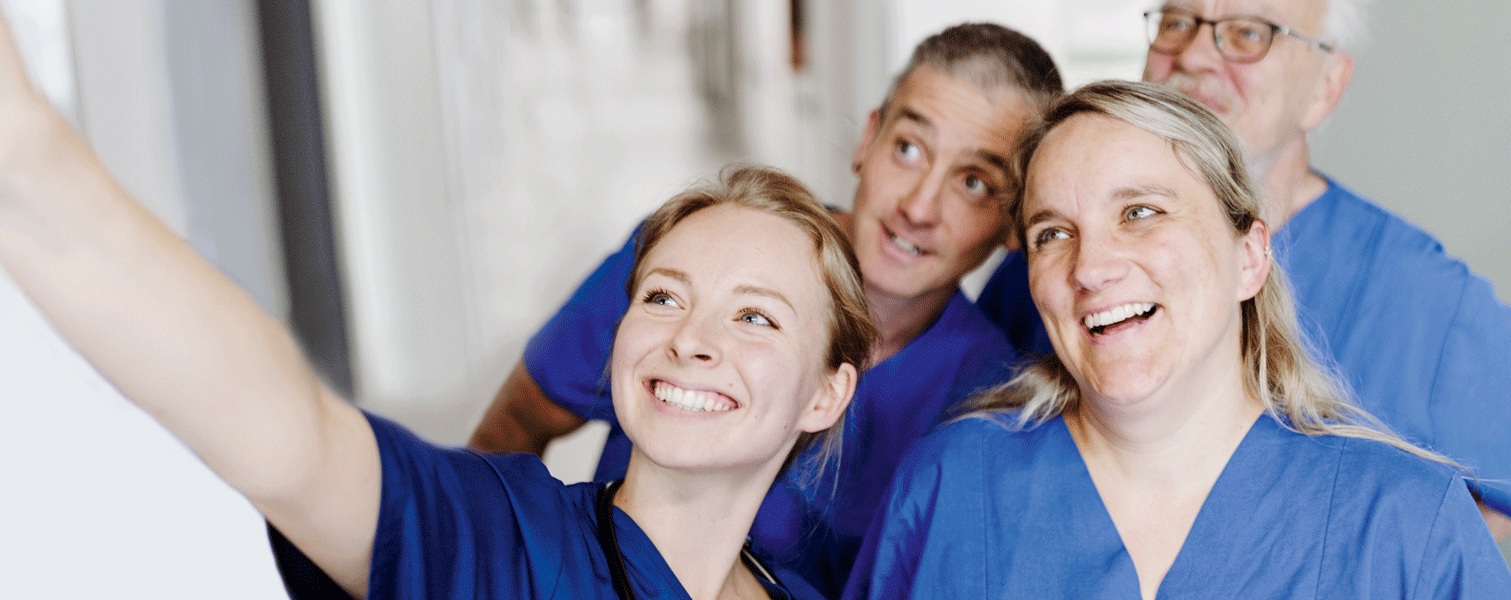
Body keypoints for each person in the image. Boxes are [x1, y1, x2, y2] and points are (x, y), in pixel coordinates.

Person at [0, 6, 888, 599]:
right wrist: (10, 151)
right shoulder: (499, 544)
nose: (691, 339)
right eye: (663, 296)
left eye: (756, 316)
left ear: (827, 394)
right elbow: (291, 438)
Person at [852, 80, 1511, 599]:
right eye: (1052, 233)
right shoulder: (948, 489)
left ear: (1250, 256)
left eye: (1140, 212)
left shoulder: (1407, 524)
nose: (1090, 268)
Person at [469, 23, 1060, 595]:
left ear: (1017, 222)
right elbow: (519, 423)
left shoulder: (988, 402)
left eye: (975, 182)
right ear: (868, 140)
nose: (918, 207)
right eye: (908, 149)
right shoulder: (690, 259)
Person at [977, 0, 1511, 534]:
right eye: (1176, 22)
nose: (1194, 55)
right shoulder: (1054, 273)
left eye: (1249, 33)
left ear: (1326, 86)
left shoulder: (1431, 299)